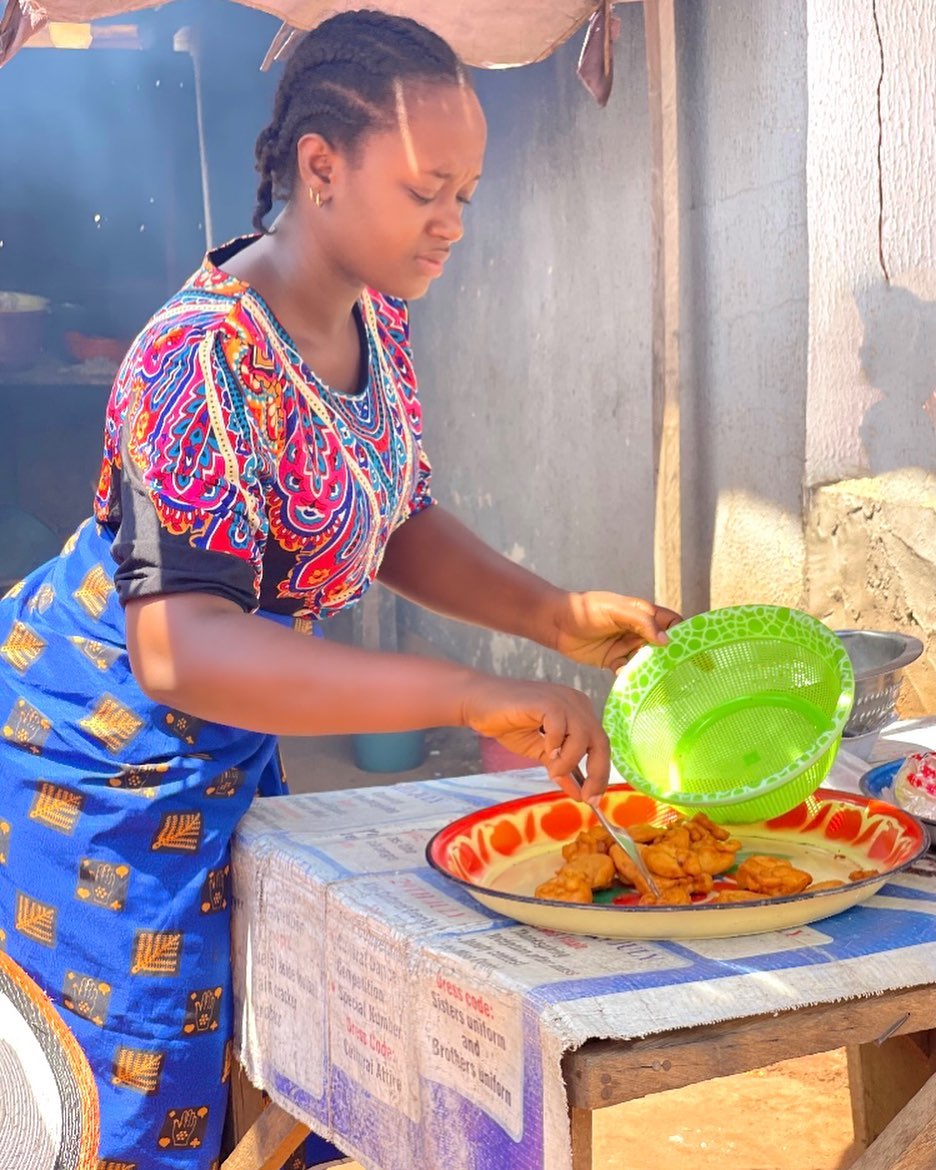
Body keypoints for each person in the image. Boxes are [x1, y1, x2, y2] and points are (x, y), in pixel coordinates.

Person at [0, 10, 678, 1169]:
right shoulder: (197, 360)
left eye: (466, 191)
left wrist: (551, 614)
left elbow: (391, 513)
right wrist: (464, 691)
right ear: (321, 167)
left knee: (285, 1049)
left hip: (239, 725)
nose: (453, 223)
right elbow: (185, 649)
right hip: (107, 752)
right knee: (141, 1089)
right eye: (427, 189)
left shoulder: (374, 319)